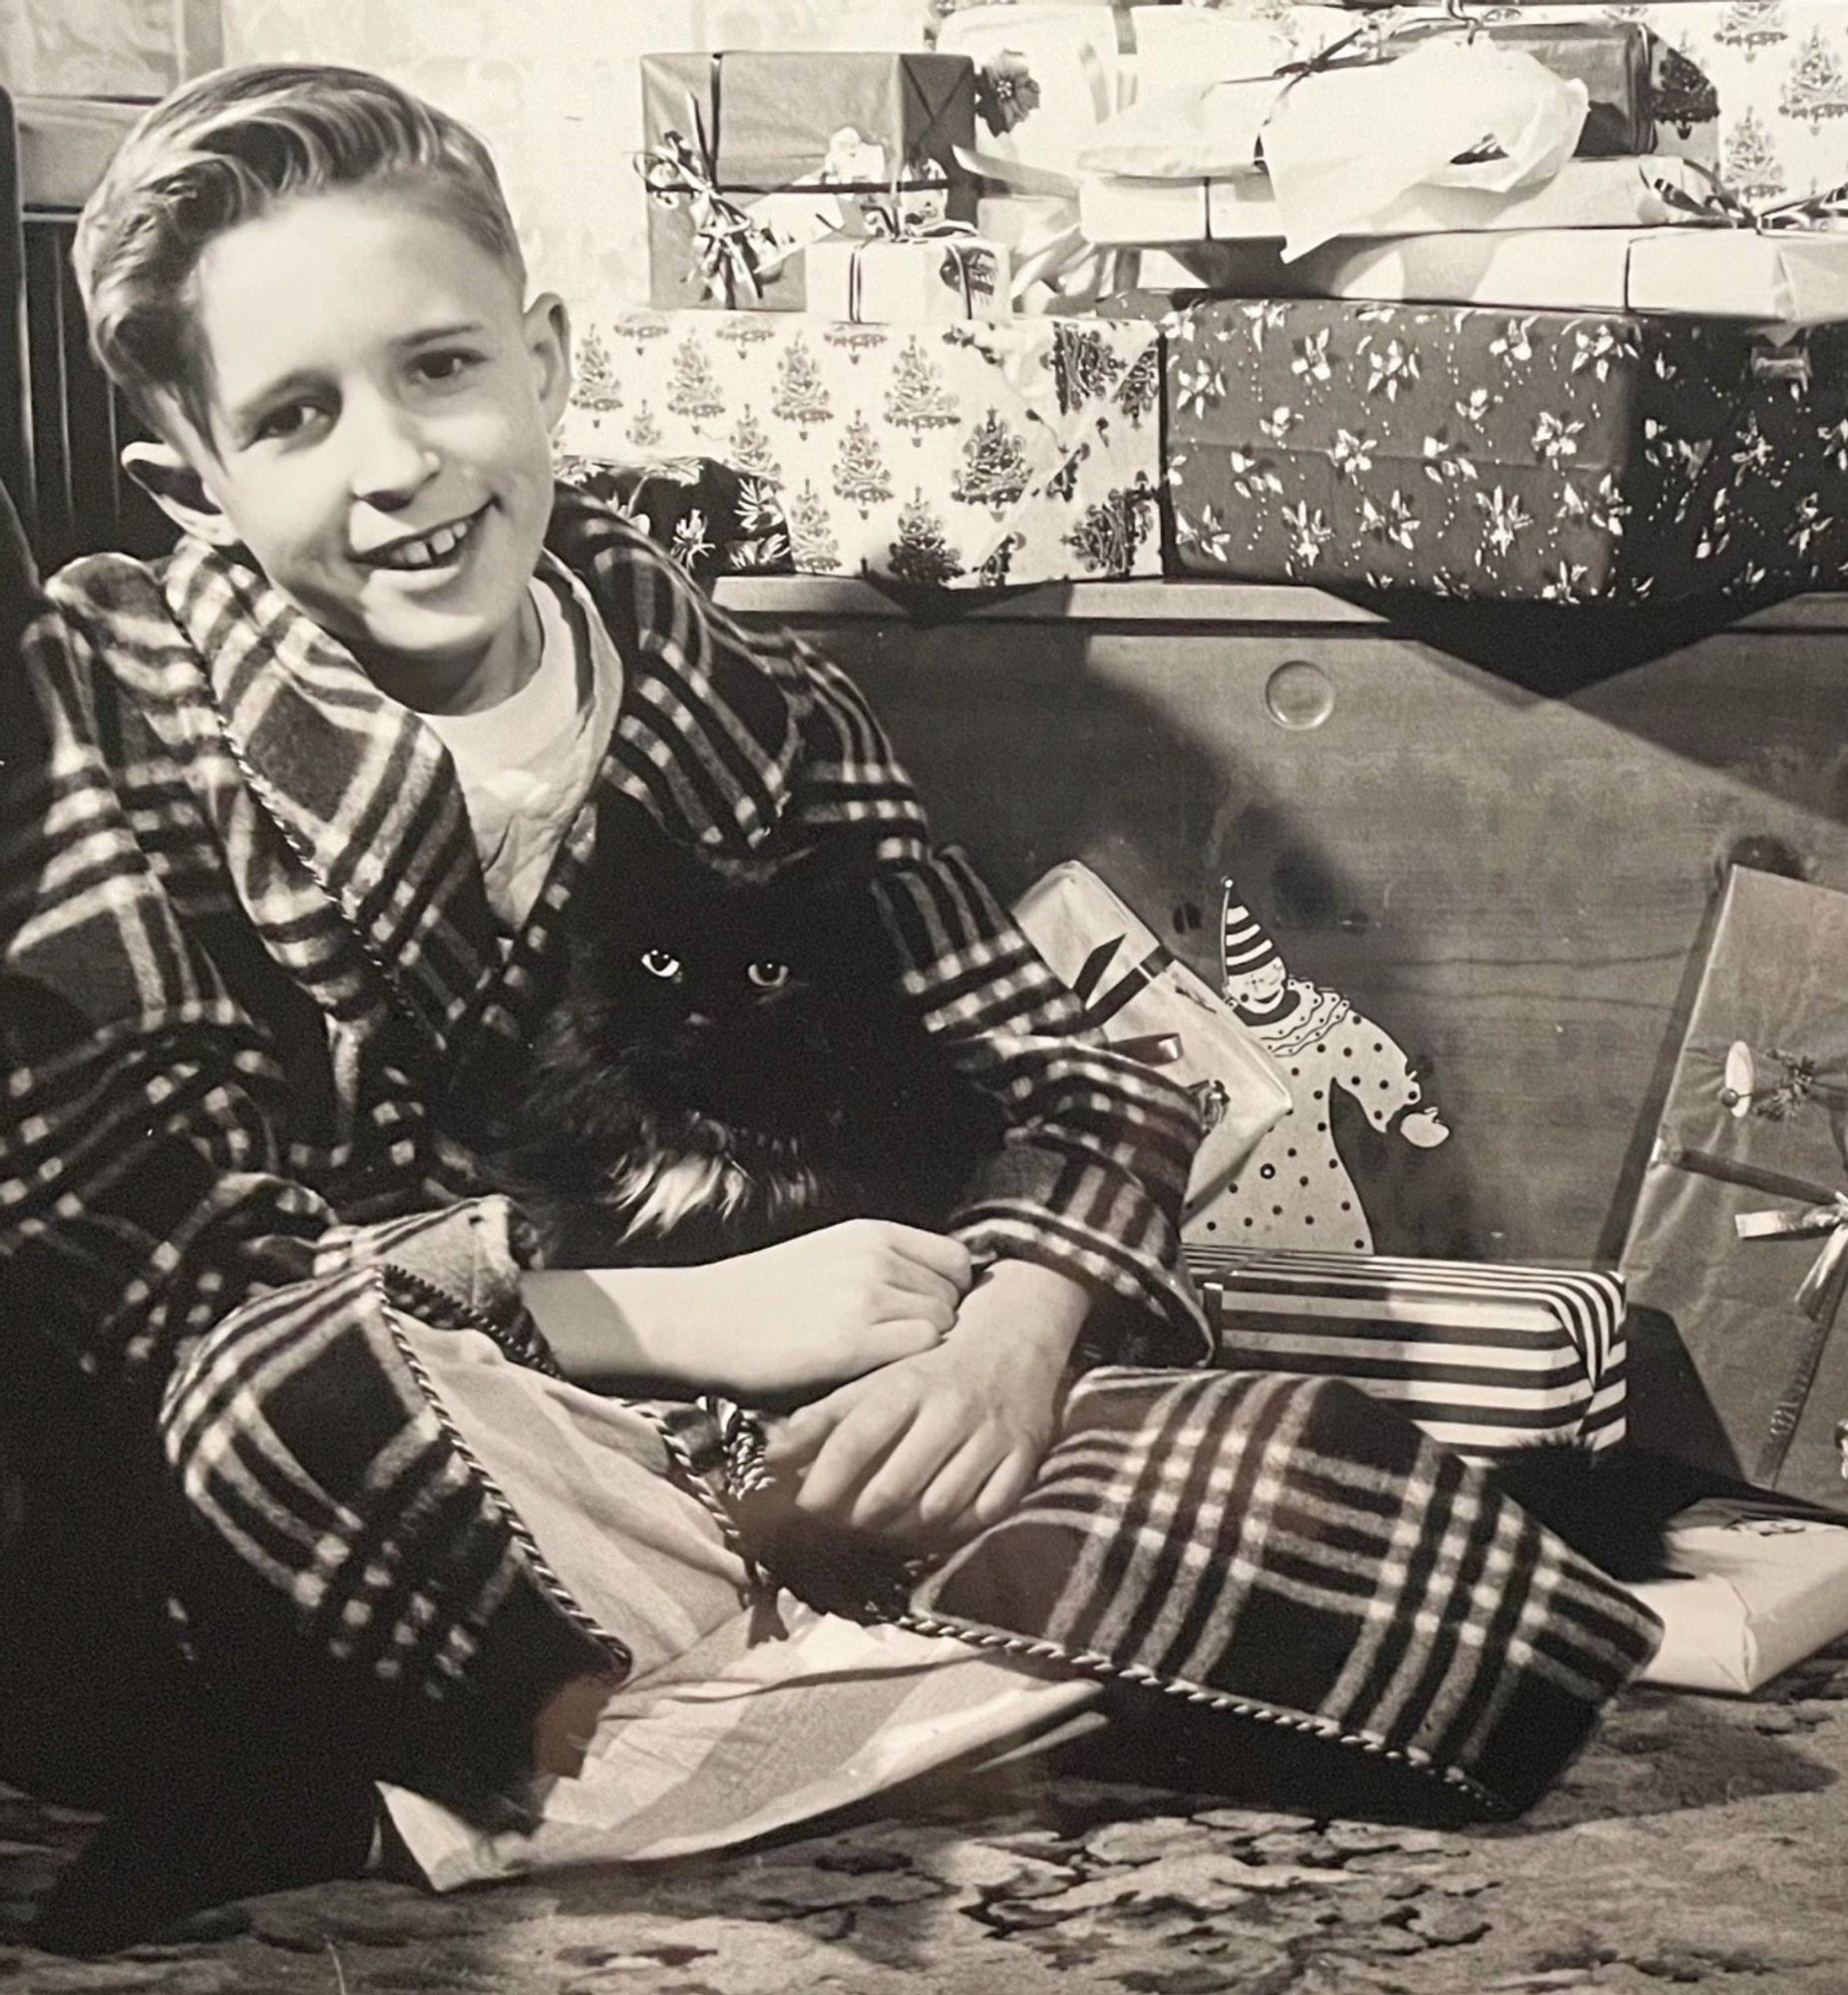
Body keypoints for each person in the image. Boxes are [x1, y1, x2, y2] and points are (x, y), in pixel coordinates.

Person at [1, 61, 1659, 1958]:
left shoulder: (750, 697)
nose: (394, 463)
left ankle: (575, 1750)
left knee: (1308, 1485)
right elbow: (131, 1228)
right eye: (295, 417)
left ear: (544, 363)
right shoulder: (112, 685)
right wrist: (636, 1313)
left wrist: (1010, 1340)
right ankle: (741, 1702)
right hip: (405, 1419)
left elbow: (1074, 1071)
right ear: (189, 477)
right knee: (251, 1402)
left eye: (440, 368)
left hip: (752, 1448)